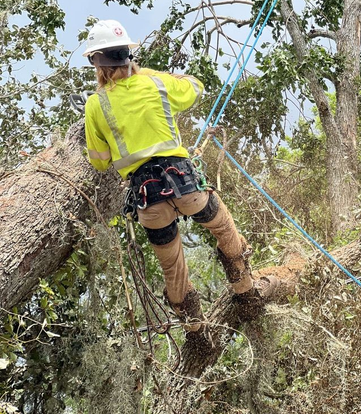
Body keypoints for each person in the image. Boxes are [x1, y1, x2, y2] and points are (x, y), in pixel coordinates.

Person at [83, 19, 278, 332]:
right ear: (127, 55)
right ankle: (244, 290)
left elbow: (100, 162)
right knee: (223, 226)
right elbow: (194, 89)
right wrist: (162, 76)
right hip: (185, 185)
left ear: (97, 63)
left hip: (148, 199)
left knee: (173, 267)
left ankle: (193, 329)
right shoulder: (155, 83)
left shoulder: (96, 105)